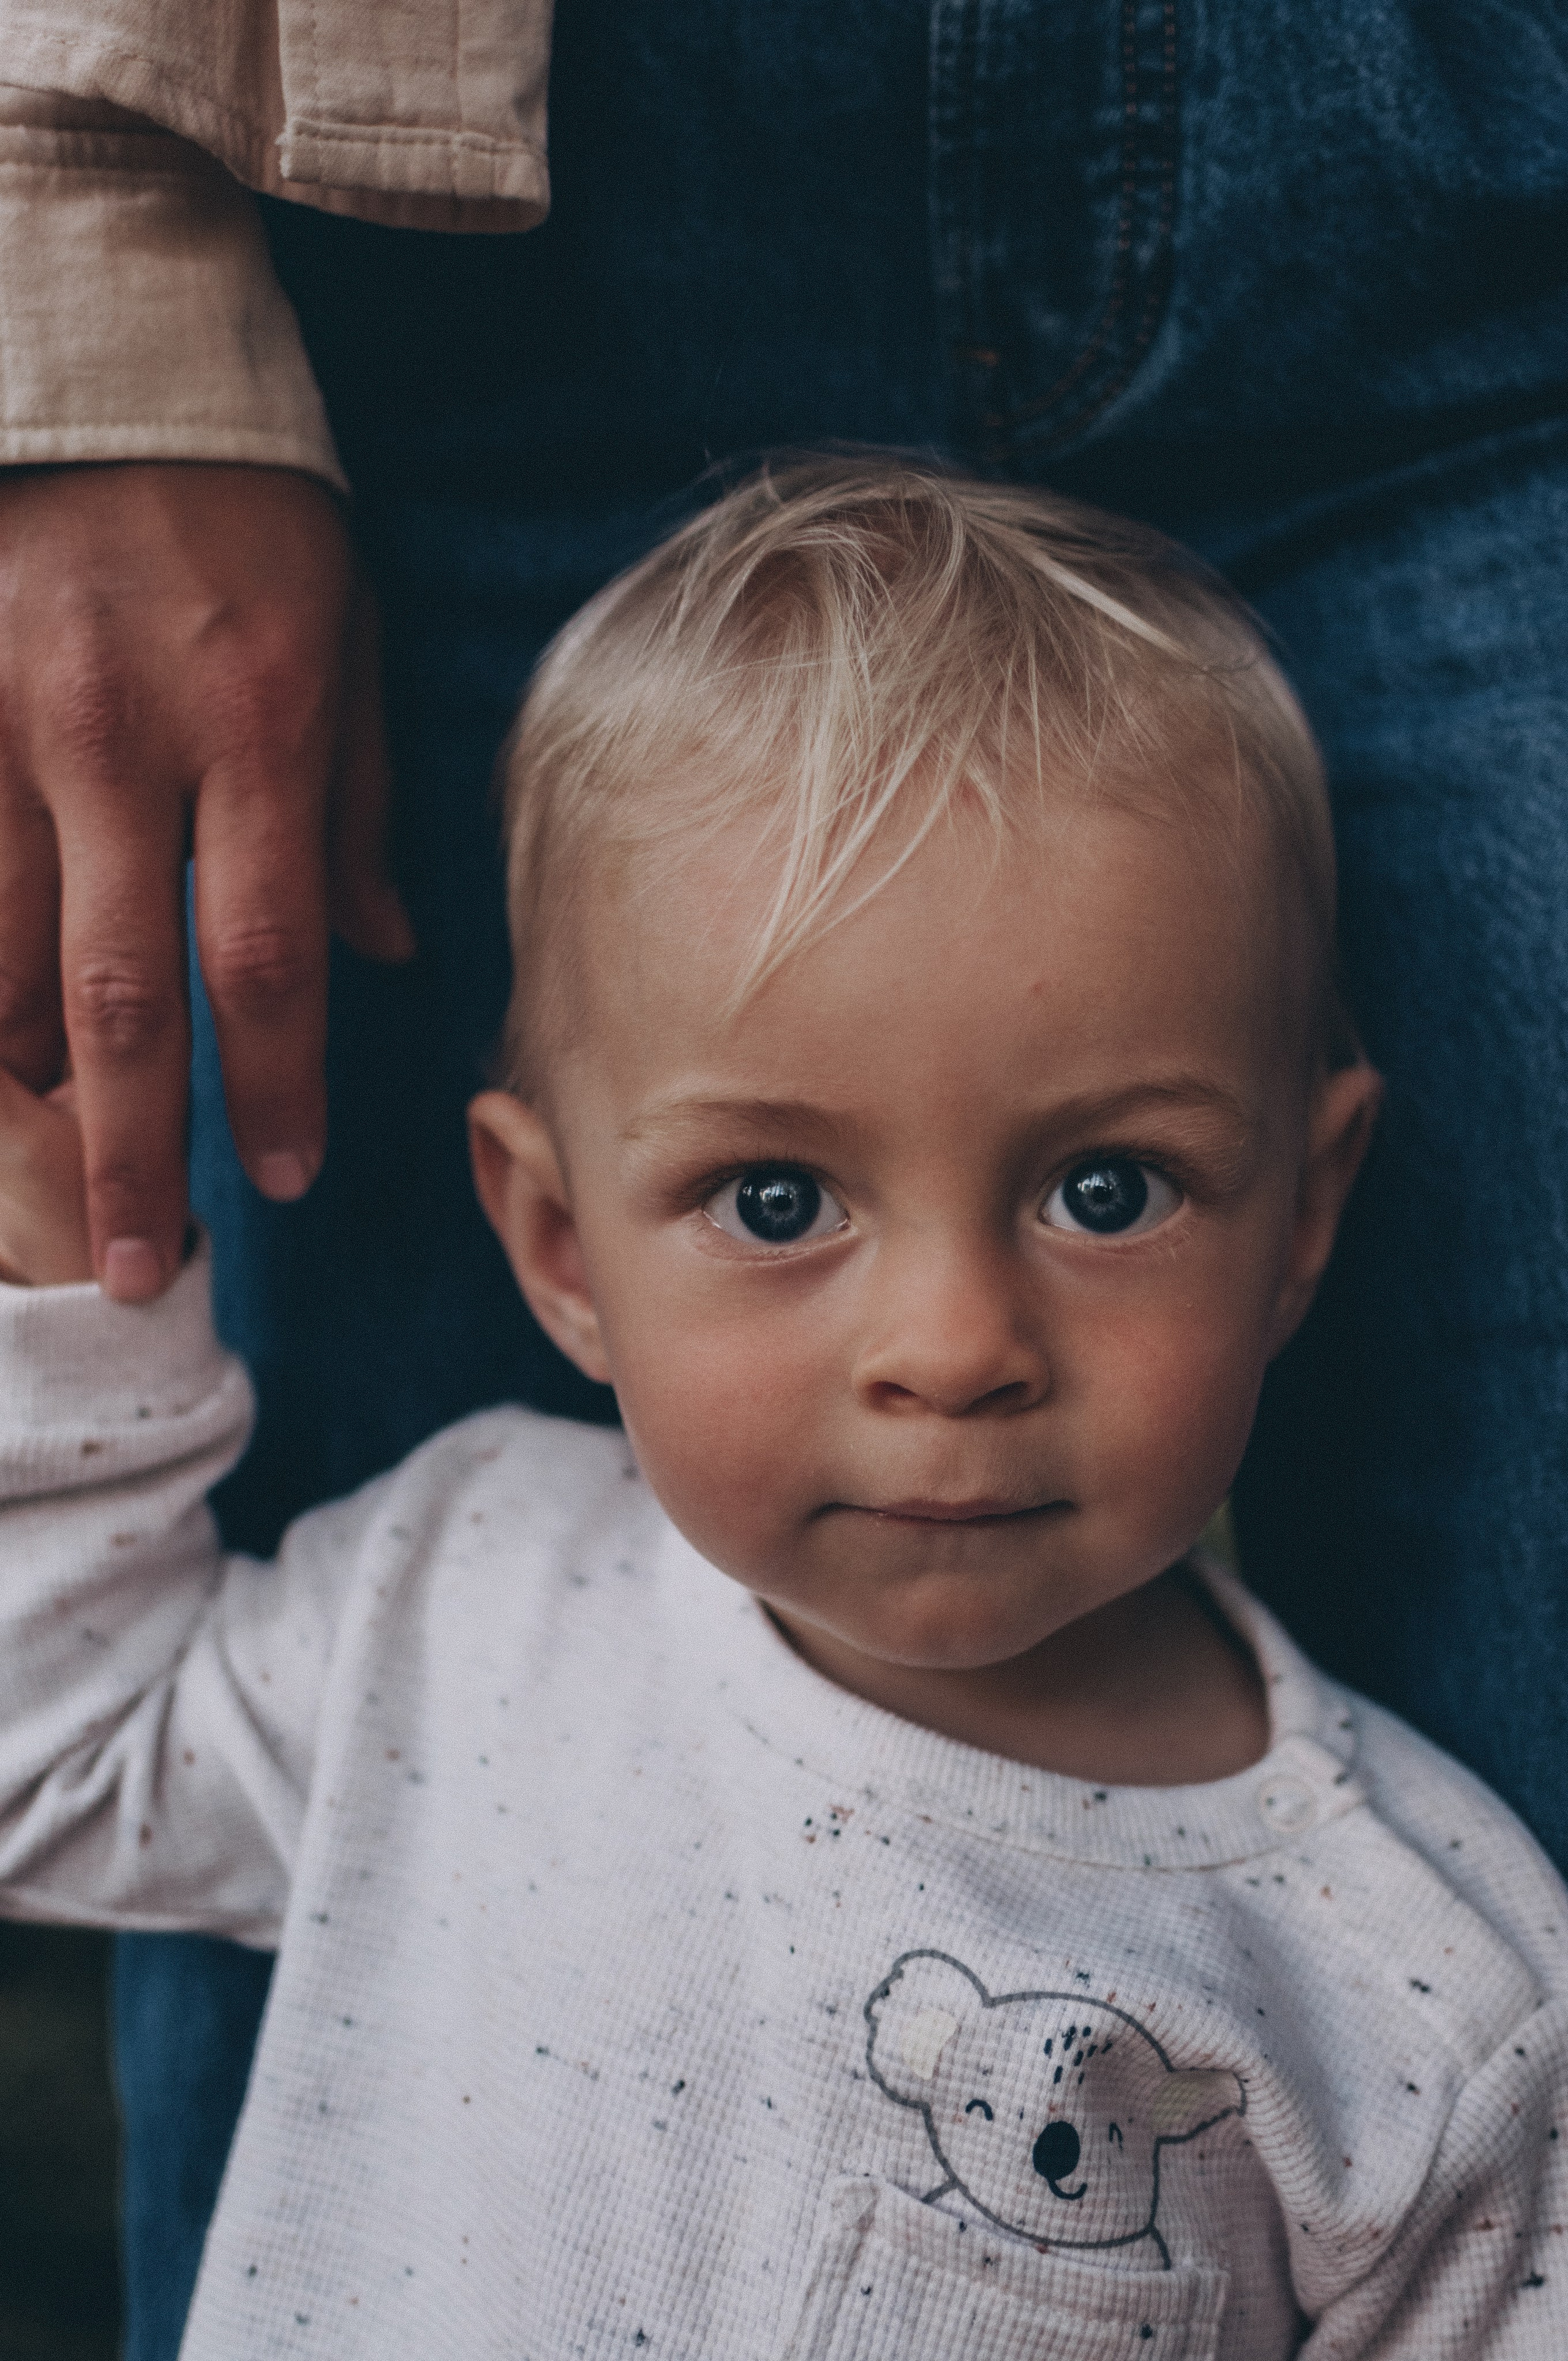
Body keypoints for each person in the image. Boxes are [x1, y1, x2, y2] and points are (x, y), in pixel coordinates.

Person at [1, 7, 1565, 2351]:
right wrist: (69, 1331)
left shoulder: (1441, 1988)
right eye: (773, 1203)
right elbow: (62, 1763)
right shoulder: (461, 1617)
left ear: (1312, 1209)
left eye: (1110, 1191)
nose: (952, 1351)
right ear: (551, 1239)